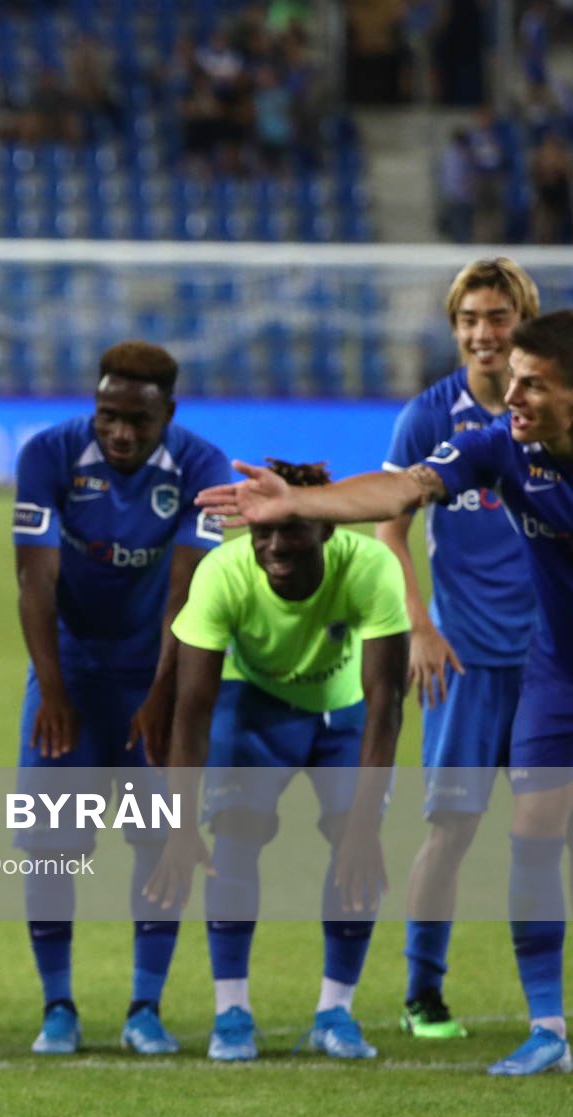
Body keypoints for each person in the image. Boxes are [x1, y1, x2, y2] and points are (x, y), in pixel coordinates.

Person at [197, 311, 573, 1075]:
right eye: (514, 379)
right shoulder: (501, 444)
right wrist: (299, 503)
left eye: (534, 383)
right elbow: (403, 489)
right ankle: (549, 1027)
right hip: (557, 672)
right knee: (533, 839)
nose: (514, 394)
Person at [10, 341, 232, 1056]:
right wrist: (52, 689)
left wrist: (162, 695)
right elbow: (34, 582)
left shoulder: (202, 467)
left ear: (168, 411)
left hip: (155, 674)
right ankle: (58, 1008)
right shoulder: (50, 454)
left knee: (159, 840)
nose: (121, 433)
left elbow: (188, 592)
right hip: (66, 671)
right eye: (108, 415)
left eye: (138, 419)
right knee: (49, 848)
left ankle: (145, 1007)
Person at [151, 460, 410, 1061]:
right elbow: (191, 713)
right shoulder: (222, 573)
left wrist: (366, 826)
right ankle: (232, 1013)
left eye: (291, 528)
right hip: (254, 706)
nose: (273, 544)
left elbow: (386, 707)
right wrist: (178, 824)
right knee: (235, 835)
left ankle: (335, 1013)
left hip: (343, 713)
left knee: (355, 842)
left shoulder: (371, 568)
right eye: (262, 531)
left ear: (327, 528)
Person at [377, 259, 540, 1040]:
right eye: (470, 318)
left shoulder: (554, 415)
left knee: (550, 830)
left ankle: (545, 999)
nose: (484, 332)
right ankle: (422, 992)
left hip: (551, 659)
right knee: (452, 828)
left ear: (524, 322)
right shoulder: (426, 418)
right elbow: (389, 527)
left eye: (499, 316)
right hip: (463, 658)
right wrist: (420, 625)